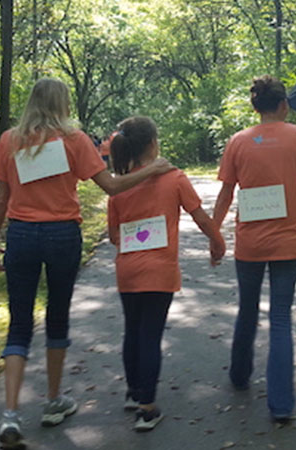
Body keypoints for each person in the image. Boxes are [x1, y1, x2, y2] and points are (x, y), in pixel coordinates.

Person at [0, 78, 173, 448]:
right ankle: (53, 400)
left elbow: (0, 198)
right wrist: (153, 169)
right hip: (61, 236)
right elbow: (112, 187)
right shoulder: (73, 140)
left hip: (21, 235)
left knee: (18, 324)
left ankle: (10, 414)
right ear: (63, 104)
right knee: (57, 316)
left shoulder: (10, 140)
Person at [213, 75, 296, 422]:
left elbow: (226, 193)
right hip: (289, 243)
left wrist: (215, 235)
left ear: (255, 106)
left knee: (247, 310)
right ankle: (282, 404)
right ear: (284, 105)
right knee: (280, 319)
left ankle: (240, 374)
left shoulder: (238, 142)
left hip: (250, 243)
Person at [107, 116, 226, 431]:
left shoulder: (118, 185)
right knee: (150, 335)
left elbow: (114, 236)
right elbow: (199, 216)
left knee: (133, 331)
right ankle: (147, 408)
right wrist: (218, 241)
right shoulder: (174, 179)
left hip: (128, 271)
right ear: (152, 144)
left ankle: (134, 392)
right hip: (159, 270)